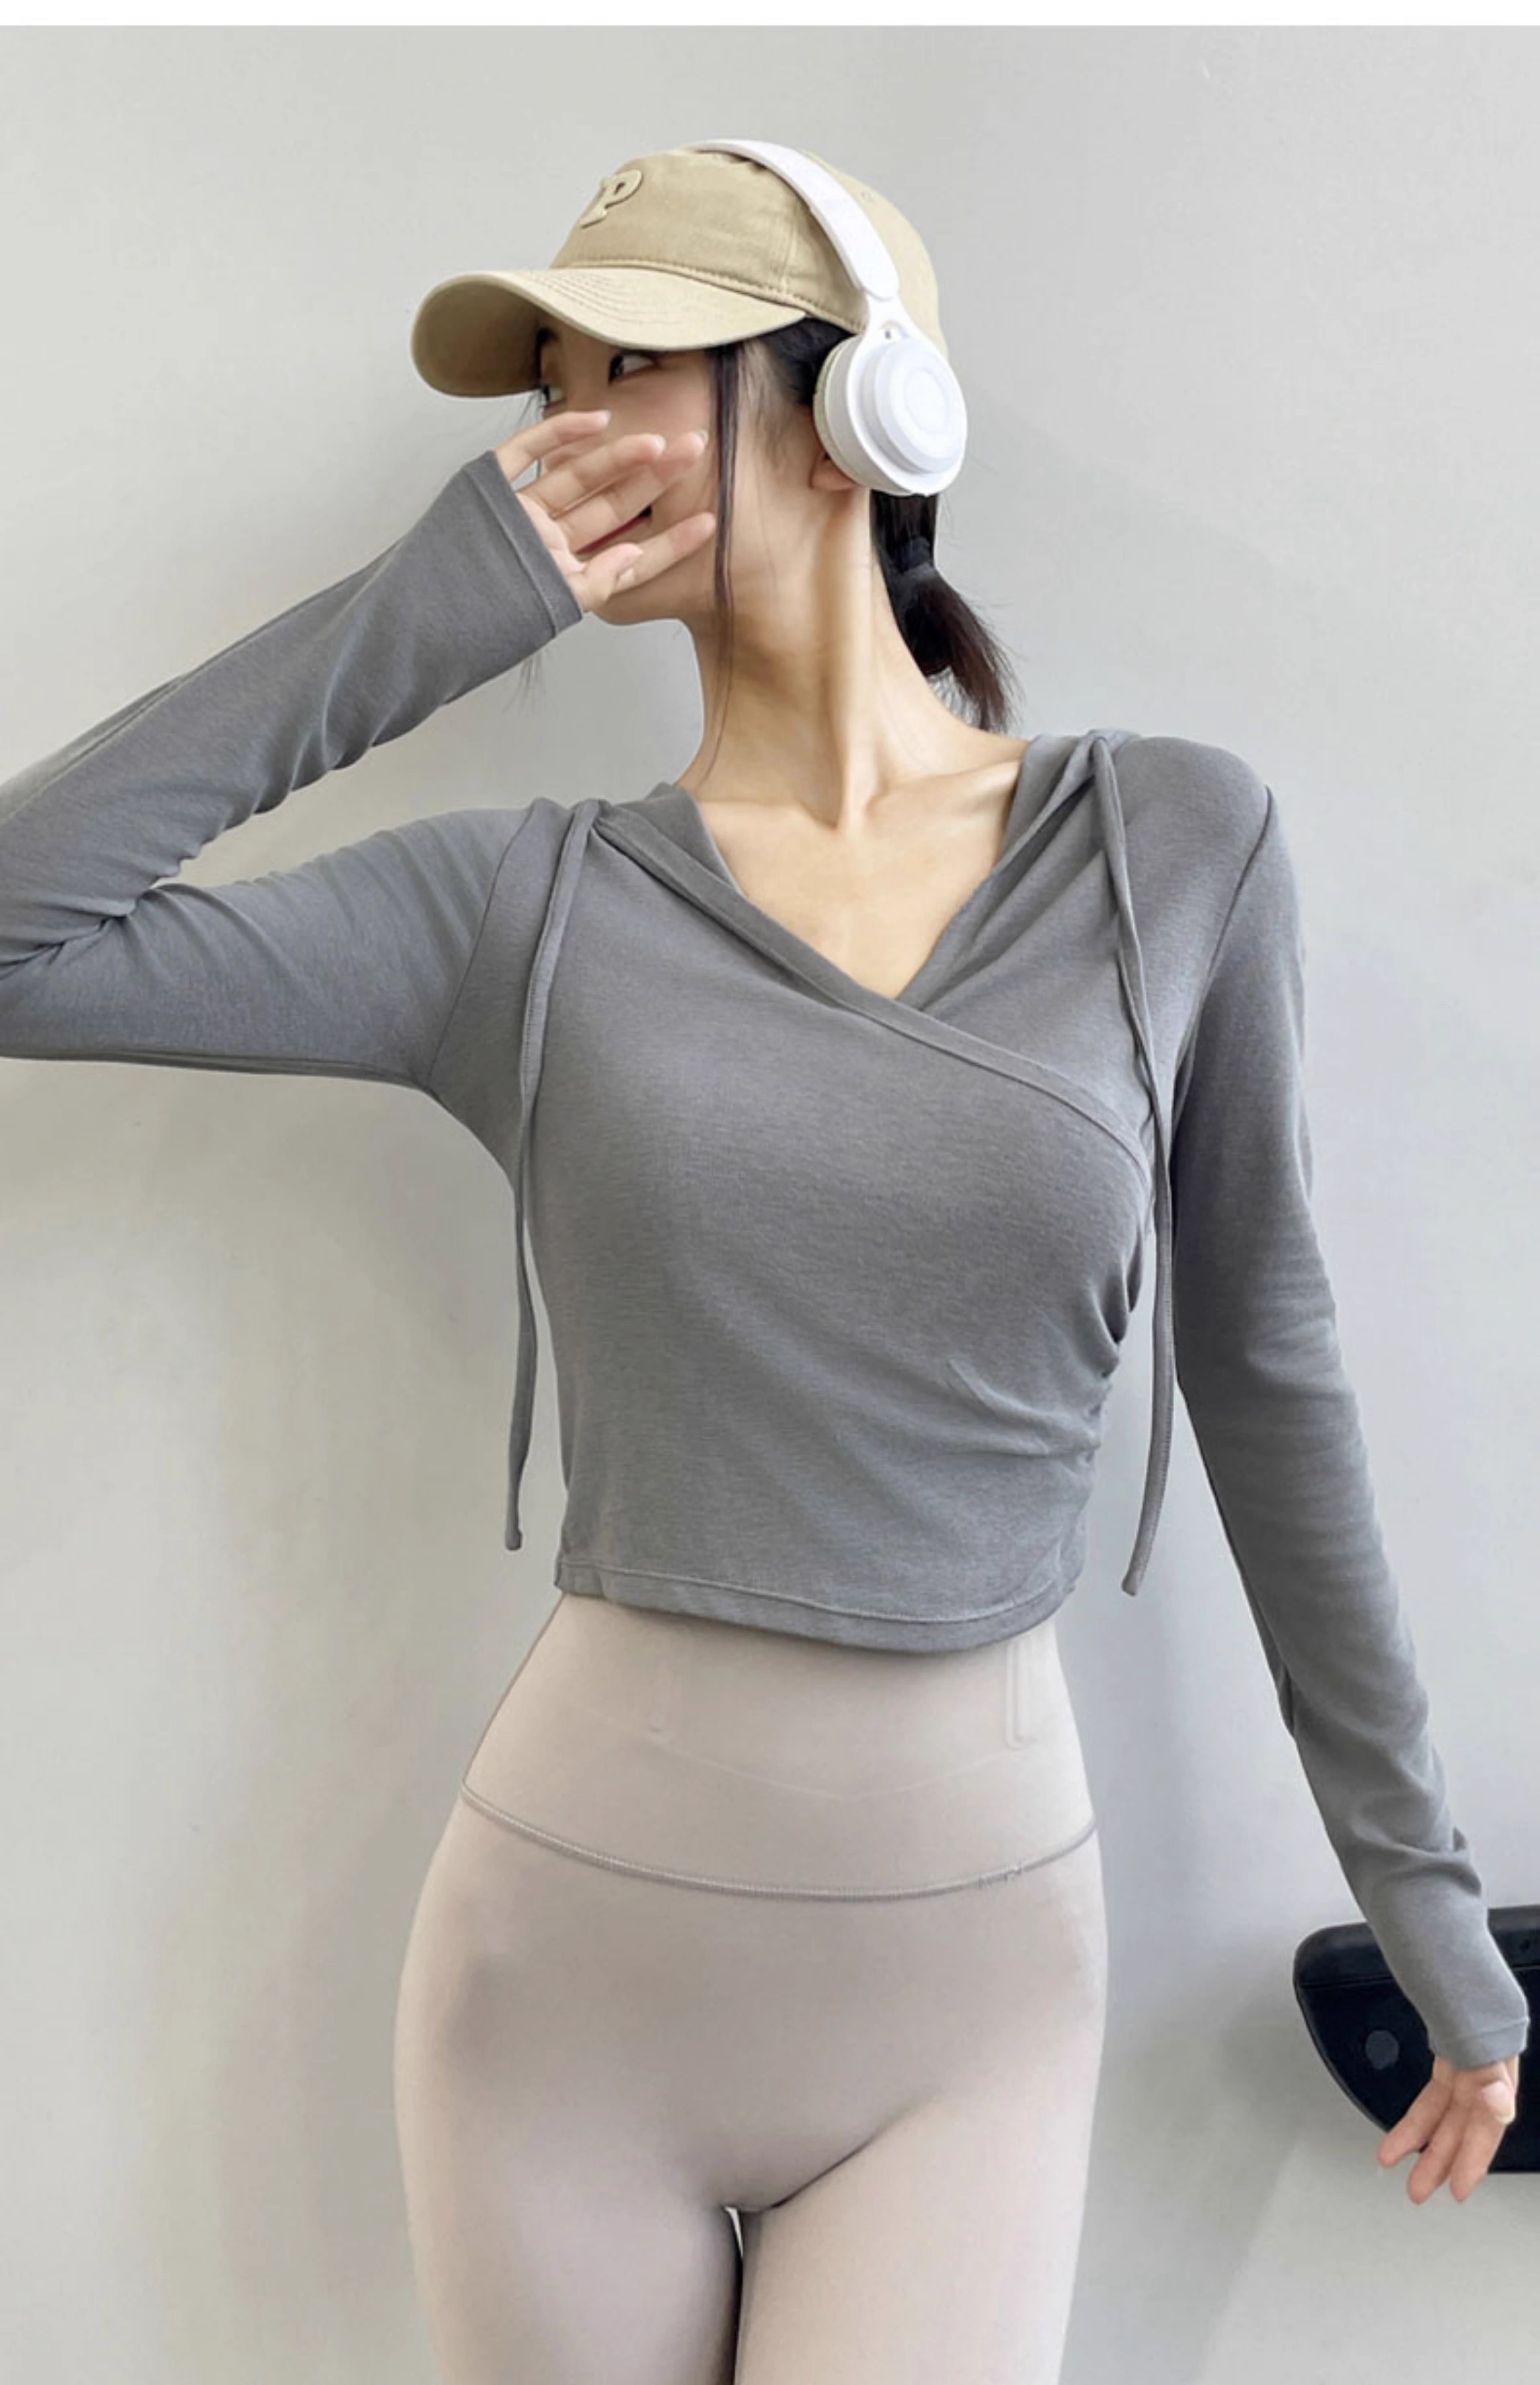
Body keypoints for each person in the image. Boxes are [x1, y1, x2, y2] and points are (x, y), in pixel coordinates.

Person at [0, 142, 1523, 2385]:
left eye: (623, 365)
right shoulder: (520, 912)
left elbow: (1275, 1389)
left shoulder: (1174, 848)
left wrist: (1428, 1906)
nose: (559, 435)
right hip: (564, 1984)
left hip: (969, 2002)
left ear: (856, 411)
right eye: (544, 387)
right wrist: (423, 614)